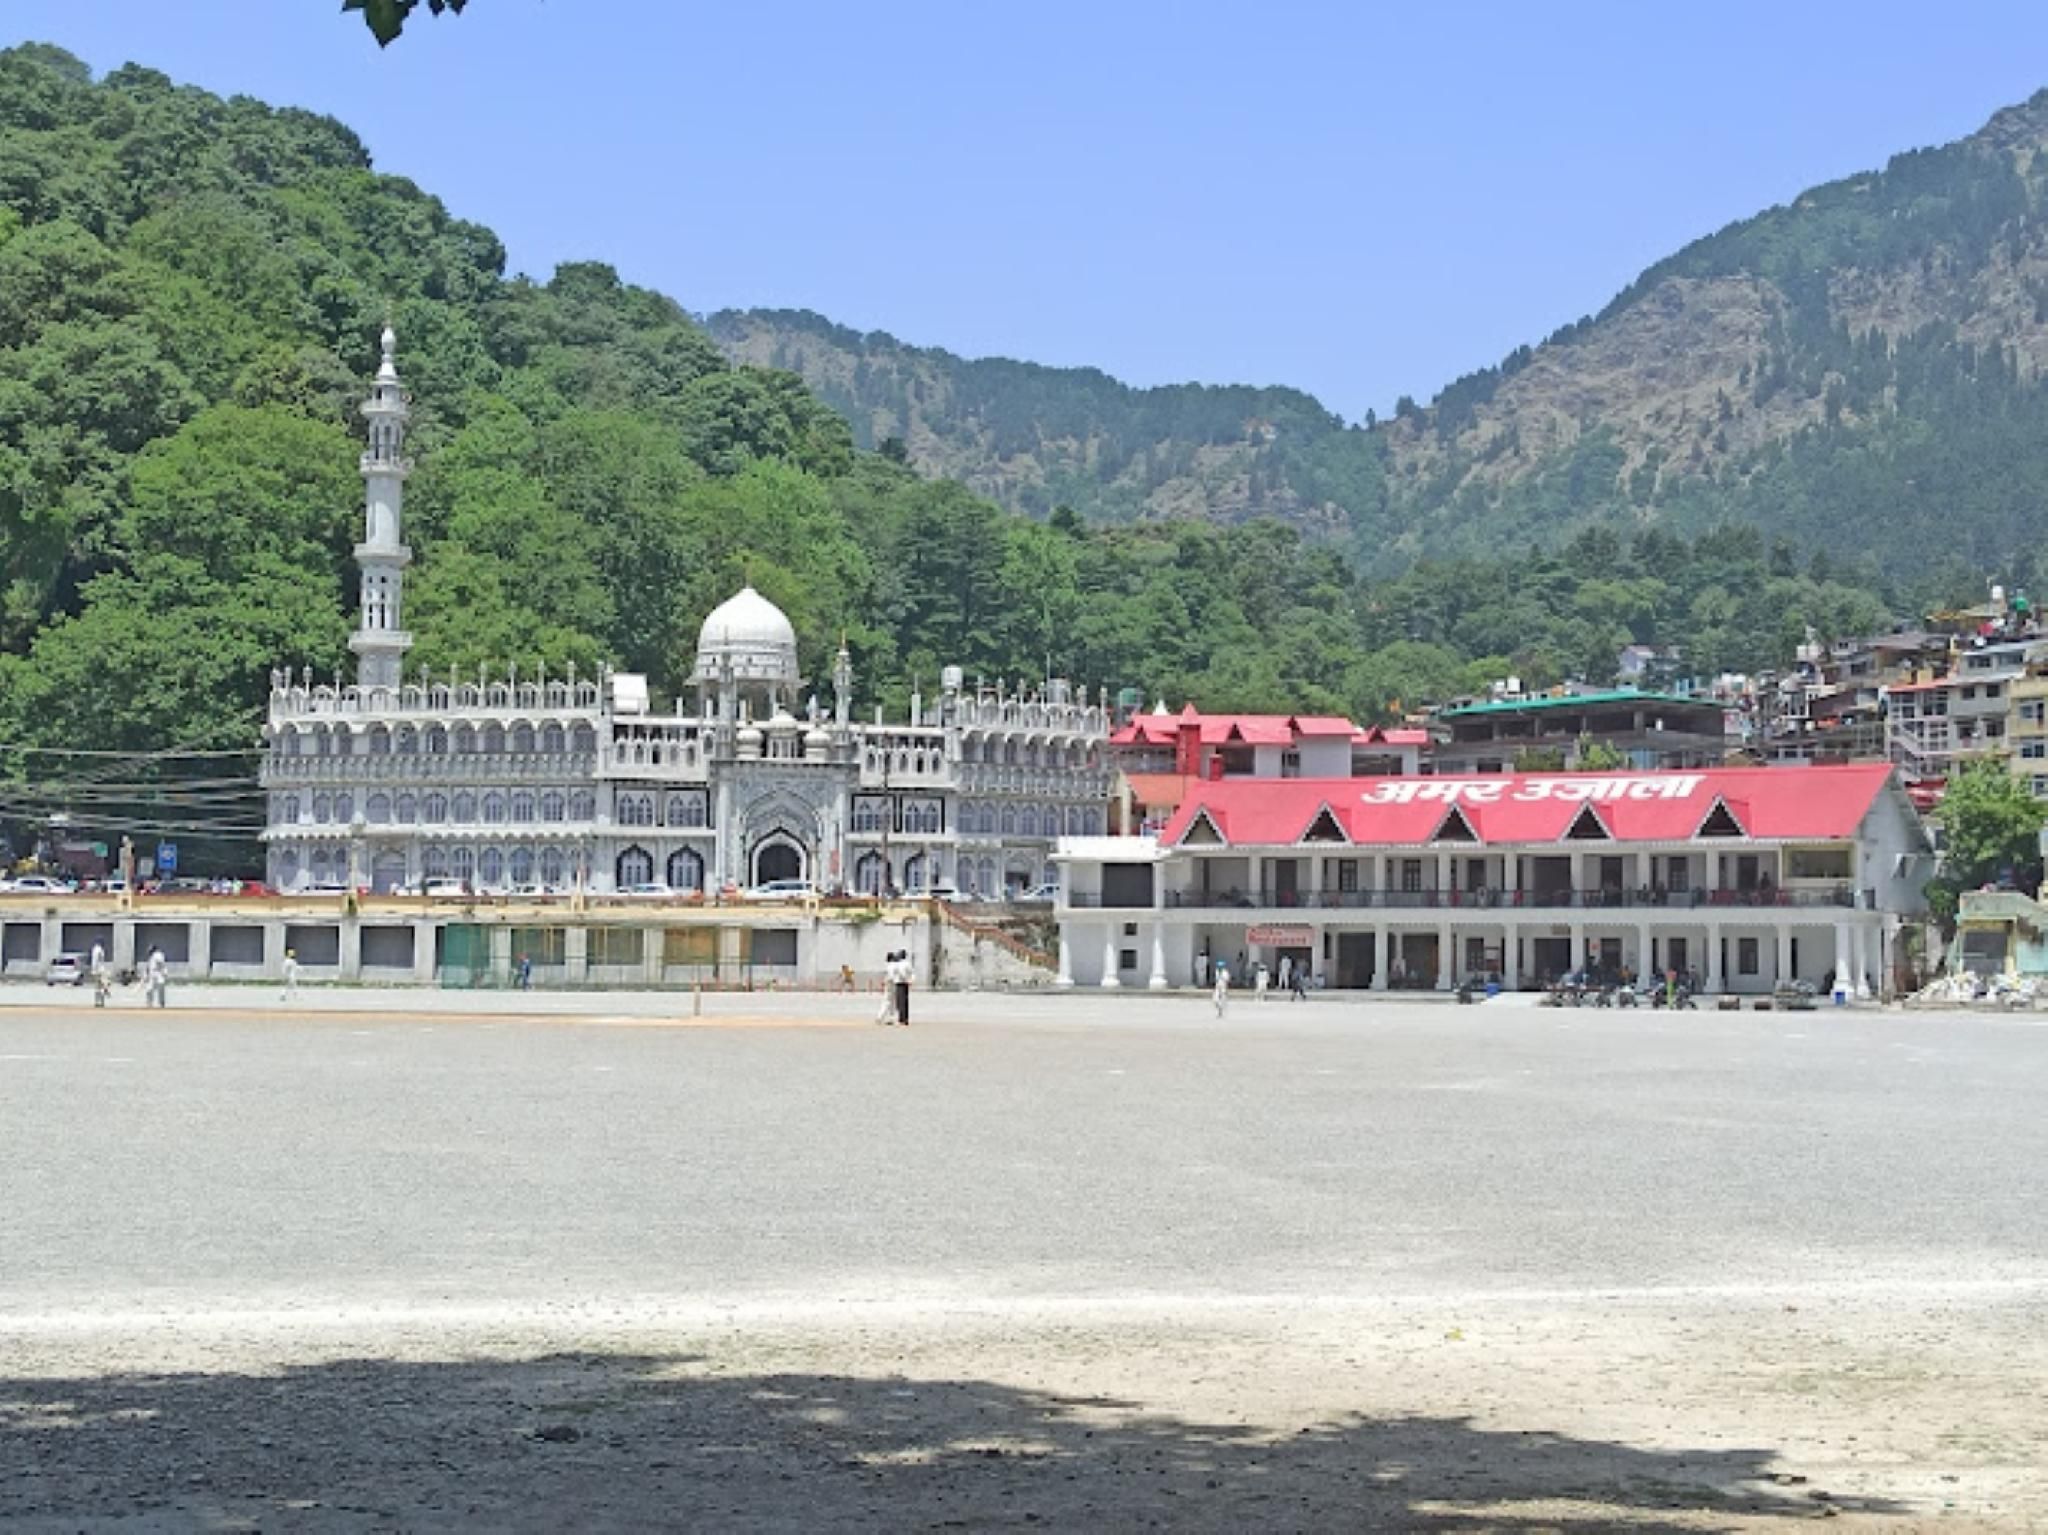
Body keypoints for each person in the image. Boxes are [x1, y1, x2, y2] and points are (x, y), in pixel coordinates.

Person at [875, 951, 901, 1025]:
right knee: (890, 1001)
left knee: (889, 1001)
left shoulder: (889, 966)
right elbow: (892, 976)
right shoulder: (894, 965)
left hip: (890, 984)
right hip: (894, 984)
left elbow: (888, 976)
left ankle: (885, 1018)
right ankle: (885, 1017)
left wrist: (885, 982)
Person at [893, 947, 913, 1027]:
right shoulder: (908, 964)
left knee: (900, 1002)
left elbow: (896, 973)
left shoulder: (898, 964)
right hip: (906, 983)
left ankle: (901, 1019)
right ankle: (906, 1019)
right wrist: (910, 980)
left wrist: (903, 977)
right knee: (905, 1001)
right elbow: (912, 972)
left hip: (899, 983)